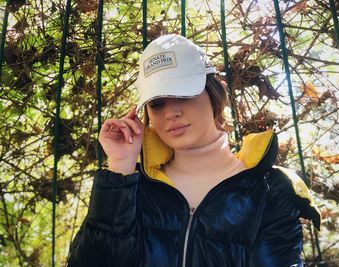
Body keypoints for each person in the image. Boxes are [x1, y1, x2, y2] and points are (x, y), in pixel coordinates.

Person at [67, 34, 320, 267]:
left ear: (214, 94)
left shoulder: (270, 189)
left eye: (183, 94)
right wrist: (120, 166)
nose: (170, 112)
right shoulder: (132, 188)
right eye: (157, 103)